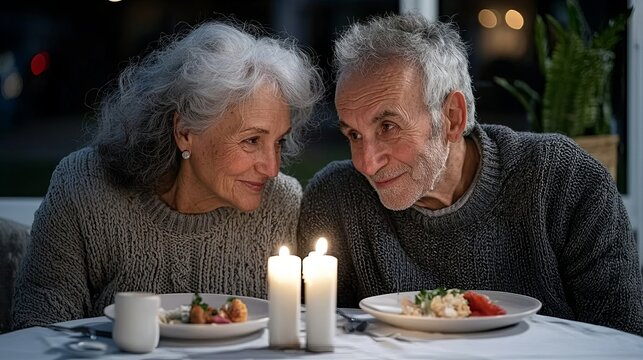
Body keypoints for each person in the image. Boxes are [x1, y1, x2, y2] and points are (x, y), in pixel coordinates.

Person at [297, 13, 643, 335]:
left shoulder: (564, 180)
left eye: (388, 126)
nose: (367, 163)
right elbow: (324, 338)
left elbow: (623, 339)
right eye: (353, 135)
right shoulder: (336, 198)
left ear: (452, 118)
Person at [12, 19, 323, 329]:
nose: (271, 167)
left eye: (279, 141)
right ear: (185, 131)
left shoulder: (282, 204)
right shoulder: (85, 186)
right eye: (251, 140)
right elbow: (39, 327)